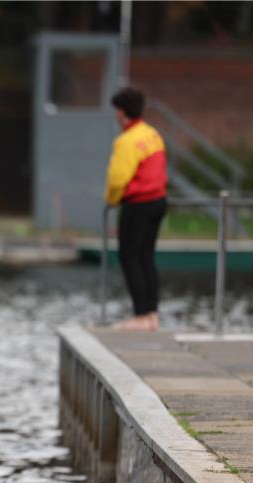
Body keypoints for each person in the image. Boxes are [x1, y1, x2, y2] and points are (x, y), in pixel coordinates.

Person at [104, 86, 168, 331]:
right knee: (146, 257)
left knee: (129, 257)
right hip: (158, 202)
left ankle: (141, 316)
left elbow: (118, 178)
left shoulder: (126, 141)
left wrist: (111, 198)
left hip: (137, 203)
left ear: (121, 112)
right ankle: (152, 314)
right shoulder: (153, 135)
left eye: (116, 111)